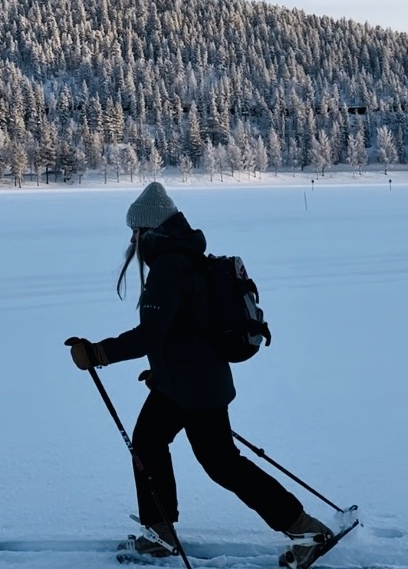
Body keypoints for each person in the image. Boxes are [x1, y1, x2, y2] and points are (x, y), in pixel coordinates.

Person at [65, 181, 332, 557]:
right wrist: (161, 371)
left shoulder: (169, 267)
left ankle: (305, 530)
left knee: (222, 463)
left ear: (148, 230)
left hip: (195, 388)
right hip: (184, 383)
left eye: (134, 231)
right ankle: (159, 533)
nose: (132, 240)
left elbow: (152, 333)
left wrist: (97, 353)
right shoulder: (186, 257)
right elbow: (187, 329)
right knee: (150, 442)